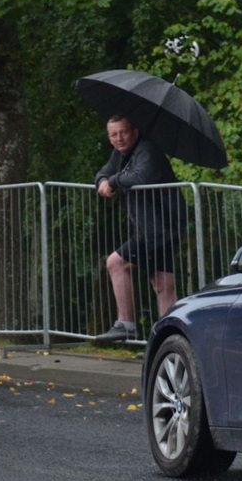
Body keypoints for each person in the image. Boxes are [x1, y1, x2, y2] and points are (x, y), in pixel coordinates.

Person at [94, 115, 187, 342]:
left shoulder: (148, 149)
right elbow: (103, 172)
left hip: (160, 226)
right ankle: (169, 340)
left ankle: (126, 324)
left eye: (123, 132)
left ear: (135, 131)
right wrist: (102, 182)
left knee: (115, 262)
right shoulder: (120, 154)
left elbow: (141, 177)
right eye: (114, 134)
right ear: (109, 138)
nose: (119, 138)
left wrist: (113, 182)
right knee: (163, 283)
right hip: (152, 227)